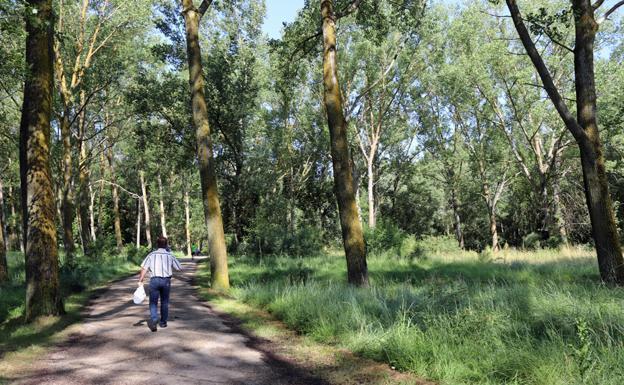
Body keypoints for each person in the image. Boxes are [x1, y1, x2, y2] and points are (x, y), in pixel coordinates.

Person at [138, 236, 182, 332]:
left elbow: (144, 267)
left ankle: (154, 319)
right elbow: (179, 267)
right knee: (164, 302)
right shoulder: (170, 255)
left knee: (153, 302)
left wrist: (141, 279)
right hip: (166, 281)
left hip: (154, 281)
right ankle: (163, 323)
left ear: (157, 244)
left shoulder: (151, 255)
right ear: (166, 245)